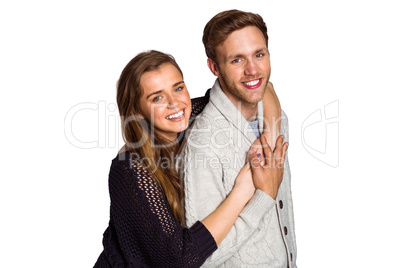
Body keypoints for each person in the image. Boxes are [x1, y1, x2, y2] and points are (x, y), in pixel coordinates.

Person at [93, 50, 286, 267]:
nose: (174, 103)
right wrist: (243, 192)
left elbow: (262, 89)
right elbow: (179, 260)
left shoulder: (191, 115)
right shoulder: (130, 169)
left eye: (178, 88)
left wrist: (270, 136)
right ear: (138, 112)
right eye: (157, 97)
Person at [178, 10, 297, 267]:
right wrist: (263, 197)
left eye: (259, 54)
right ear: (214, 67)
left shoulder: (276, 118)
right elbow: (202, 258)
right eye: (236, 60)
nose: (252, 70)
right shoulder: (204, 141)